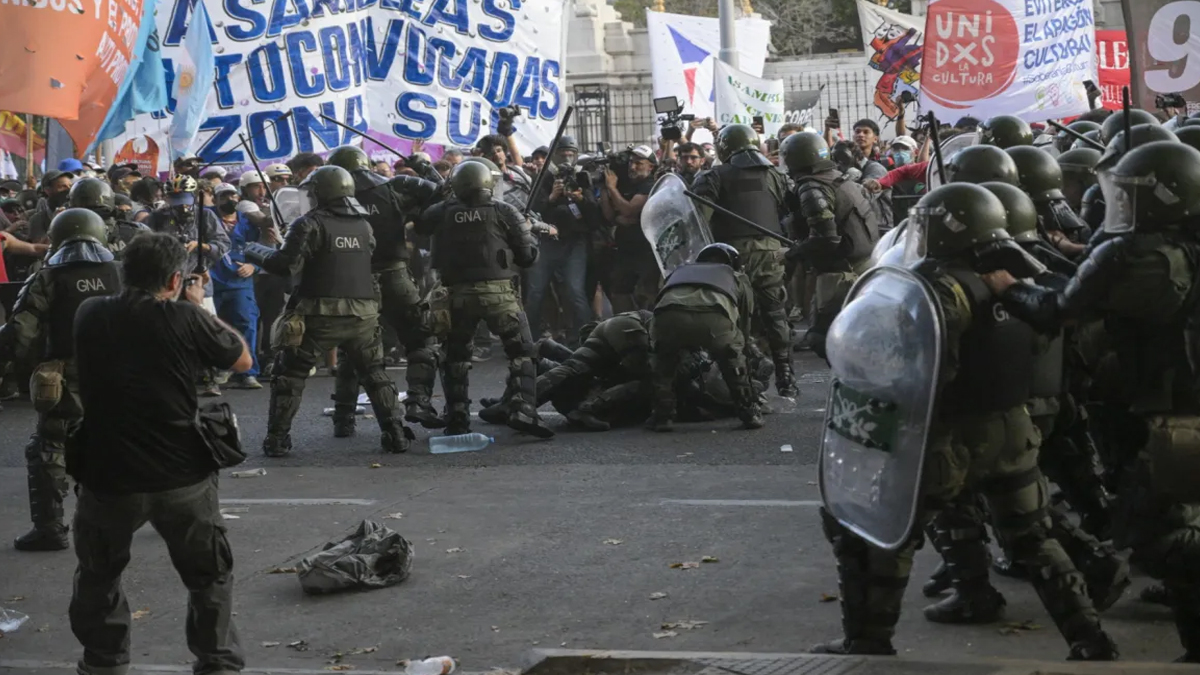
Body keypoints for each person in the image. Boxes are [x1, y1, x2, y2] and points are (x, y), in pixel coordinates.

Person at [814, 183, 1116, 660]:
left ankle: (867, 641)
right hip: (1011, 431)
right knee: (1033, 540)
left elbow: (910, 369)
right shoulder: (1009, 281)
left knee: (873, 535)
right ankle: (1090, 641)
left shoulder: (935, 289)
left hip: (945, 437)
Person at [983, 141, 1200, 663]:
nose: (1117, 205)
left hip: (1172, 412)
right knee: (1171, 520)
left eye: (1130, 196)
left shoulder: (1136, 253)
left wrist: (1008, 285)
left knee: (1149, 533)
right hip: (1181, 403)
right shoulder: (1179, 245)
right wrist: (1068, 260)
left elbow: (1058, 309)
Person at [68, 232, 251, 675]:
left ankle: (103, 662)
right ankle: (217, 662)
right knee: (209, 577)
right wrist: (196, 301)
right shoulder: (186, 318)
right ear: (175, 279)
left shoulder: (89, 313)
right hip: (182, 473)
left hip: (107, 472)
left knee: (98, 574)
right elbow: (241, 359)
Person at [242, 166, 412, 455]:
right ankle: (395, 433)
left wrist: (253, 251)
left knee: (291, 374)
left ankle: (278, 439)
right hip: (363, 313)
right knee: (374, 373)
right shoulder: (363, 225)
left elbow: (284, 264)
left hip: (318, 312)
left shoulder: (309, 224)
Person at [0, 209, 121, 551]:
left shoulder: (48, 277)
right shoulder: (120, 273)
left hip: (66, 375)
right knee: (114, 443)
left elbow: (20, 333)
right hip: (118, 374)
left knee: (49, 448)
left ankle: (50, 529)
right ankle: (110, 520)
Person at [415, 159, 554, 438]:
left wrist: (443, 195)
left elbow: (420, 227)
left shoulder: (439, 212)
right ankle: (523, 408)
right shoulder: (505, 211)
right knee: (522, 352)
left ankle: (456, 416)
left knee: (455, 356)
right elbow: (528, 258)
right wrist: (528, 231)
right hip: (499, 294)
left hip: (455, 295)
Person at [325, 145, 443, 432]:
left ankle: (343, 417)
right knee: (419, 341)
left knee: (353, 348)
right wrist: (425, 168)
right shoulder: (394, 187)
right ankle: (418, 401)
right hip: (394, 275)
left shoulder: (328, 198)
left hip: (353, 281)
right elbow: (446, 193)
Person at [691, 124, 797, 396]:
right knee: (775, 313)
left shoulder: (713, 175)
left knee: (736, 317)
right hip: (772, 251)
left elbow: (699, 221)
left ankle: (747, 376)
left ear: (723, 147)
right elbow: (790, 210)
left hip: (732, 254)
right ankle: (786, 375)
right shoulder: (776, 175)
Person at [782, 131, 882, 360]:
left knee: (824, 337)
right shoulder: (837, 177)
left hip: (843, 272)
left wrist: (791, 253)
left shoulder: (811, 187)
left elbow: (827, 238)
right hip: (863, 264)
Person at [647, 243, 762, 432]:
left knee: (663, 364)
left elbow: (660, 299)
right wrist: (745, 344)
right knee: (733, 356)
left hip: (667, 316)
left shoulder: (678, 272)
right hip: (715, 319)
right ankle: (749, 412)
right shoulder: (736, 277)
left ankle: (662, 416)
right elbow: (744, 320)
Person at [525, 136, 595, 346]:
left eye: (570, 152)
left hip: (574, 243)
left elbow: (594, 216)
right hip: (546, 242)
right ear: (554, 154)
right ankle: (531, 339)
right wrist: (552, 198)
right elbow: (532, 212)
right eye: (562, 152)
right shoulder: (543, 179)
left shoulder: (581, 177)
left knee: (575, 291)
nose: (566, 156)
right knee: (536, 292)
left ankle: (584, 339)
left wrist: (581, 199)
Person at [209, 184, 263, 389]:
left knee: (246, 323)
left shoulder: (249, 223)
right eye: (224, 196)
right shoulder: (206, 219)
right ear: (215, 200)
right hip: (212, 282)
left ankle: (248, 372)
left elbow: (264, 249)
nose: (230, 199)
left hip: (240, 283)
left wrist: (254, 266)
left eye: (233, 195)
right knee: (213, 328)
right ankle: (218, 370)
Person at [600, 145, 659, 313]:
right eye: (631, 162)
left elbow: (628, 210)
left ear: (650, 166)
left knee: (646, 295)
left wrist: (612, 189)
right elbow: (610, 216)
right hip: (625, 250)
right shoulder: (626, 185)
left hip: (645, 252)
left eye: (639, 163)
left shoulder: (650, 186)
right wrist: (606, 189)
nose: (633, 167)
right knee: (619, 291)